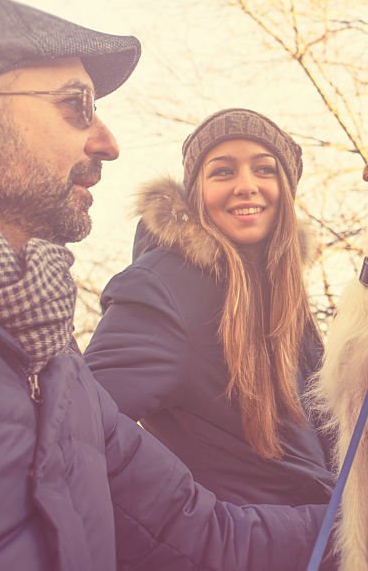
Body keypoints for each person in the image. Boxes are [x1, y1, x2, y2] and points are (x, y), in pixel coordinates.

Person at [0, 0, 325, 570]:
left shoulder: (49, 359)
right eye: (77, 105)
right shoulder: (161, 290)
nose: (108, 143)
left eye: (265, 169)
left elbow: (200, 533)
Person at [84, 108, 334, 506]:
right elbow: (79, 431)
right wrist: (197, 525)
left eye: (265, 169)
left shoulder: (283, 297)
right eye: (223, 171)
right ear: (195, 192)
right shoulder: (162, 290)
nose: (246, 185)